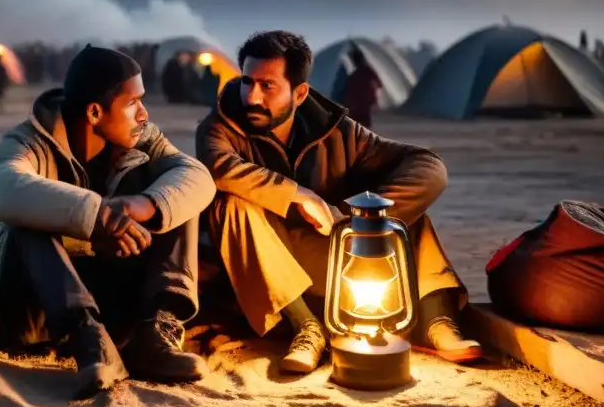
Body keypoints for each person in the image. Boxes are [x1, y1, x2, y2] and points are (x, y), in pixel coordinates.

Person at [195, 30, 482, 375]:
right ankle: (305, 328)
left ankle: (438, 319)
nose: (252, 96)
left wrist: (359, 221)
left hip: (340, 254)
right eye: (247, 82)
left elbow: (428, 165)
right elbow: (218, 169)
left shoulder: (338, 132)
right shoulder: (221, 126)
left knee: (390, 207)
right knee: (232, 203)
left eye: (267, 85)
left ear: (299, 93)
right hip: (267, 267)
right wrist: (297, 193)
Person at [0, 45, 216, 398]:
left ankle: (155, 334)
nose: (143, 113)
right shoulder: (31, 139)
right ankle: (87, 337)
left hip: (112, 294)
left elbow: (196, 175)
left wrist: (142, 205)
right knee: (30, 219)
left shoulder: (142, 137)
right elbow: (6, 190)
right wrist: (100, 218)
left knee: (174, 196)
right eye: (133, 102)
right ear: (94, 112)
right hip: (40, 305)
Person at [340, 47, 381, 129]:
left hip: (358, 105)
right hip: (363, 104)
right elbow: (378, 83)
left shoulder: (355, 75)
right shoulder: (365, 71)